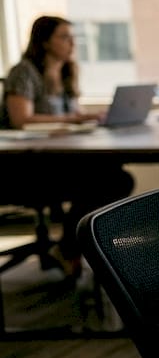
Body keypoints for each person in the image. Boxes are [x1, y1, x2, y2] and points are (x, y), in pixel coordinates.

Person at [1, 15, 134, 276]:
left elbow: (71, 115)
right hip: (26, 167)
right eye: (64, 37)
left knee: (116, 177)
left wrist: (89, 118)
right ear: (45, 42)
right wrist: (73, 119)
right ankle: (71, 248)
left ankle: (70, 247)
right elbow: (21, 119)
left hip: (60, 159)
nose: (72, 43)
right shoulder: (24, 72)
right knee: (110, 180)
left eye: (73, 37)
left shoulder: (66, 72)